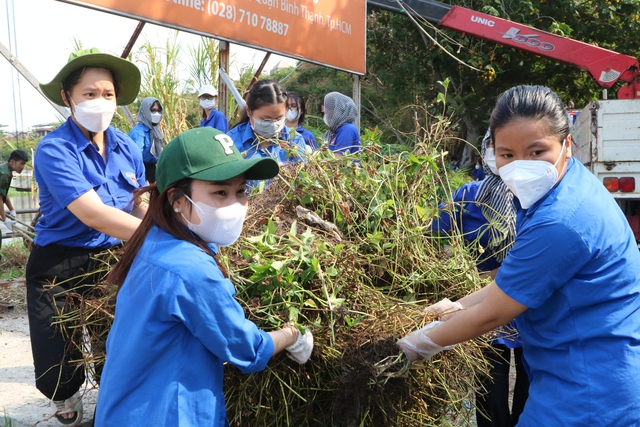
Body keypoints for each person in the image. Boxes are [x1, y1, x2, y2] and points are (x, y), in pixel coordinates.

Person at [397, 85, 640, 426]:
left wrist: (412, 346)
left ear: (566, 145)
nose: (520, 166)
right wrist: (457, 306)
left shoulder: (562, 220)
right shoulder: (564, 185)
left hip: (588, 394)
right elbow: (516, 280)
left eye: (537, 151)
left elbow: (492, 315)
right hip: (580, 375)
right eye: (507, 155)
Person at [95, 127, 314, 426]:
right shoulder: (190, 269)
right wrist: (290, 336)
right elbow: (245, 347)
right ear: (177, 199)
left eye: (241, 192)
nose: (235, 205)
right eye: (220, 192)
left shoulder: (154, 243)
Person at [29, 47, 146, 427]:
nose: (100, 102)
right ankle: (66, 395)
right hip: (58, 262)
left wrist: (152, 226)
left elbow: (137, 203)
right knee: (55, 345)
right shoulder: (54, 150)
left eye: (108, 95)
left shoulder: (127, 145)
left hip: (112, 258)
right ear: (68, 98)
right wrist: (163, 236)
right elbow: (93, 213)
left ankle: (111, 400)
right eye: (89, 94)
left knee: (112, 339)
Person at [429, 129, 528, 427]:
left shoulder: (531, 197)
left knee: (530, 391)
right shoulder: (469, 196)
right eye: (496, 148)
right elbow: (435, 231)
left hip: (526, 307)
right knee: (490, 396)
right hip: (483, 309)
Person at [227, 79, 307, 165]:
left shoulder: (295, 140)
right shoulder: (230, 143)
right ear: (248, 111)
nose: (273, 125)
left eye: (279, 118)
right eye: (266, 120)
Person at [129, 96, 164, 183]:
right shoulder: (138, 132)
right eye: (153, 110)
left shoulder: (155, 130)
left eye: (158, 110)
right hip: (139, 168)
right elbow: (136, 158)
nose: (156, 113)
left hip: (151, 167)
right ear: (145, 111)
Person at [0, 149, 29, 248]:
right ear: (12, 162)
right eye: (21, 164)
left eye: (24, 164)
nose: (23, 167)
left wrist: (12, 209)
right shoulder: (4, 174)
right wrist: (5, 219)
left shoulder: (7, 171)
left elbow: (4, 194)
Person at [322, 92, 360, 157]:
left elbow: (337, 159)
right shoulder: (334, 131)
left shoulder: (347, 130)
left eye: (329, 108)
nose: (324, 111)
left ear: (339, 110)